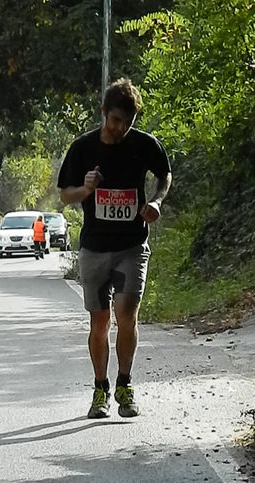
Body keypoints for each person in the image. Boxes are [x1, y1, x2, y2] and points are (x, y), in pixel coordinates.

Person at [57, 78, 172, 419]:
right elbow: (65, 194)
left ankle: (125, 383)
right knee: (100, 321)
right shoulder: (83, 148)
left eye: (128, 122)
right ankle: (99, 389)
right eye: (116, 120)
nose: (121, 128)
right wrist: (85, 190)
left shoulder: (143, 144)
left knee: (126, 315)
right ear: (103, 112)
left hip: (131, 247)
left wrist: (156, 201)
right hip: (94, 249)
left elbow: (164, 174)